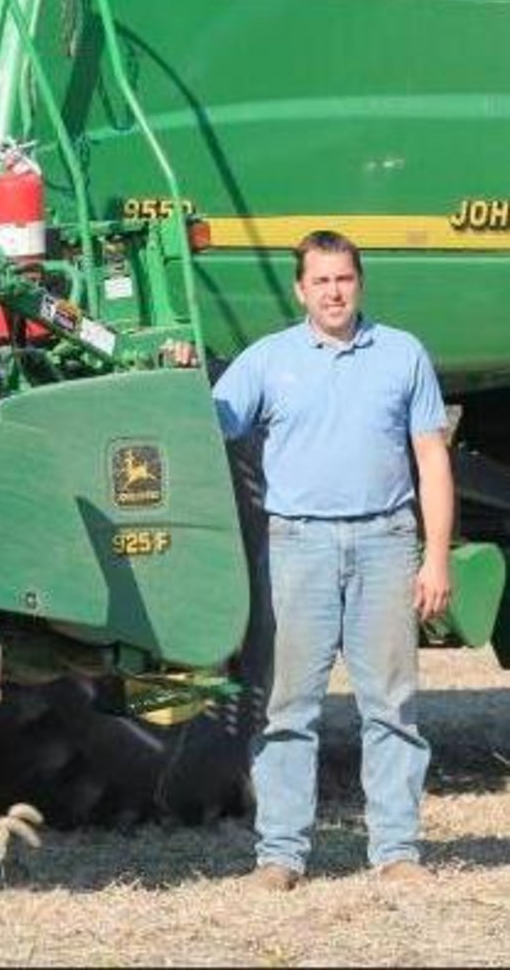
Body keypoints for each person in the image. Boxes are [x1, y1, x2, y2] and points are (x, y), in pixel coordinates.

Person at [190, 229, 453, 890]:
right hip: (299, 544)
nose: (333, 292)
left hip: (386, 541)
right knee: (288, 705)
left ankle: (397, 852)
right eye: (321, 281)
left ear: (358, 283)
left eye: (344, 279)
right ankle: (280, 857)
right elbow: (205, 421)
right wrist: (173, 371)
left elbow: (431, 459)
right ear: (300, 289)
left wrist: (437, 557)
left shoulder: (403, 354)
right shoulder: (268, 360)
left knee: (391, 705)